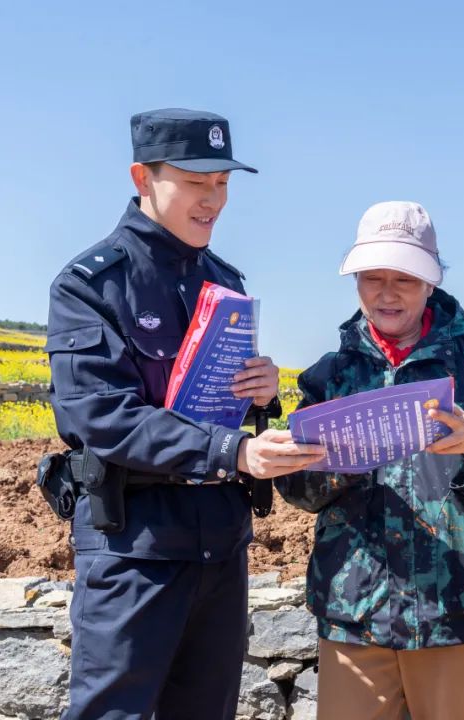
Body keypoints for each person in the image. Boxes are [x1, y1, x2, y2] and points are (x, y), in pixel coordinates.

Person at [44, 108, 325, 719]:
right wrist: (234, 451)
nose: (213, 200)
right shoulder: (90, 285)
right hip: (133, 548)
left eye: (222, 183)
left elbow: (218, 408)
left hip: (220, 543)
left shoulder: (225, 282)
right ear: (142, 177)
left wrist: (261, 393)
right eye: (196, 182)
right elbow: (101, 415)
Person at [275, 201, 464, 720]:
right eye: (371, 278)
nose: (386, 292)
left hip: (459, 615)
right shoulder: (330, 375)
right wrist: (335, 462)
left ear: (431, 280)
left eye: (403, 278)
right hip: (356, 620)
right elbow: (296, 491)